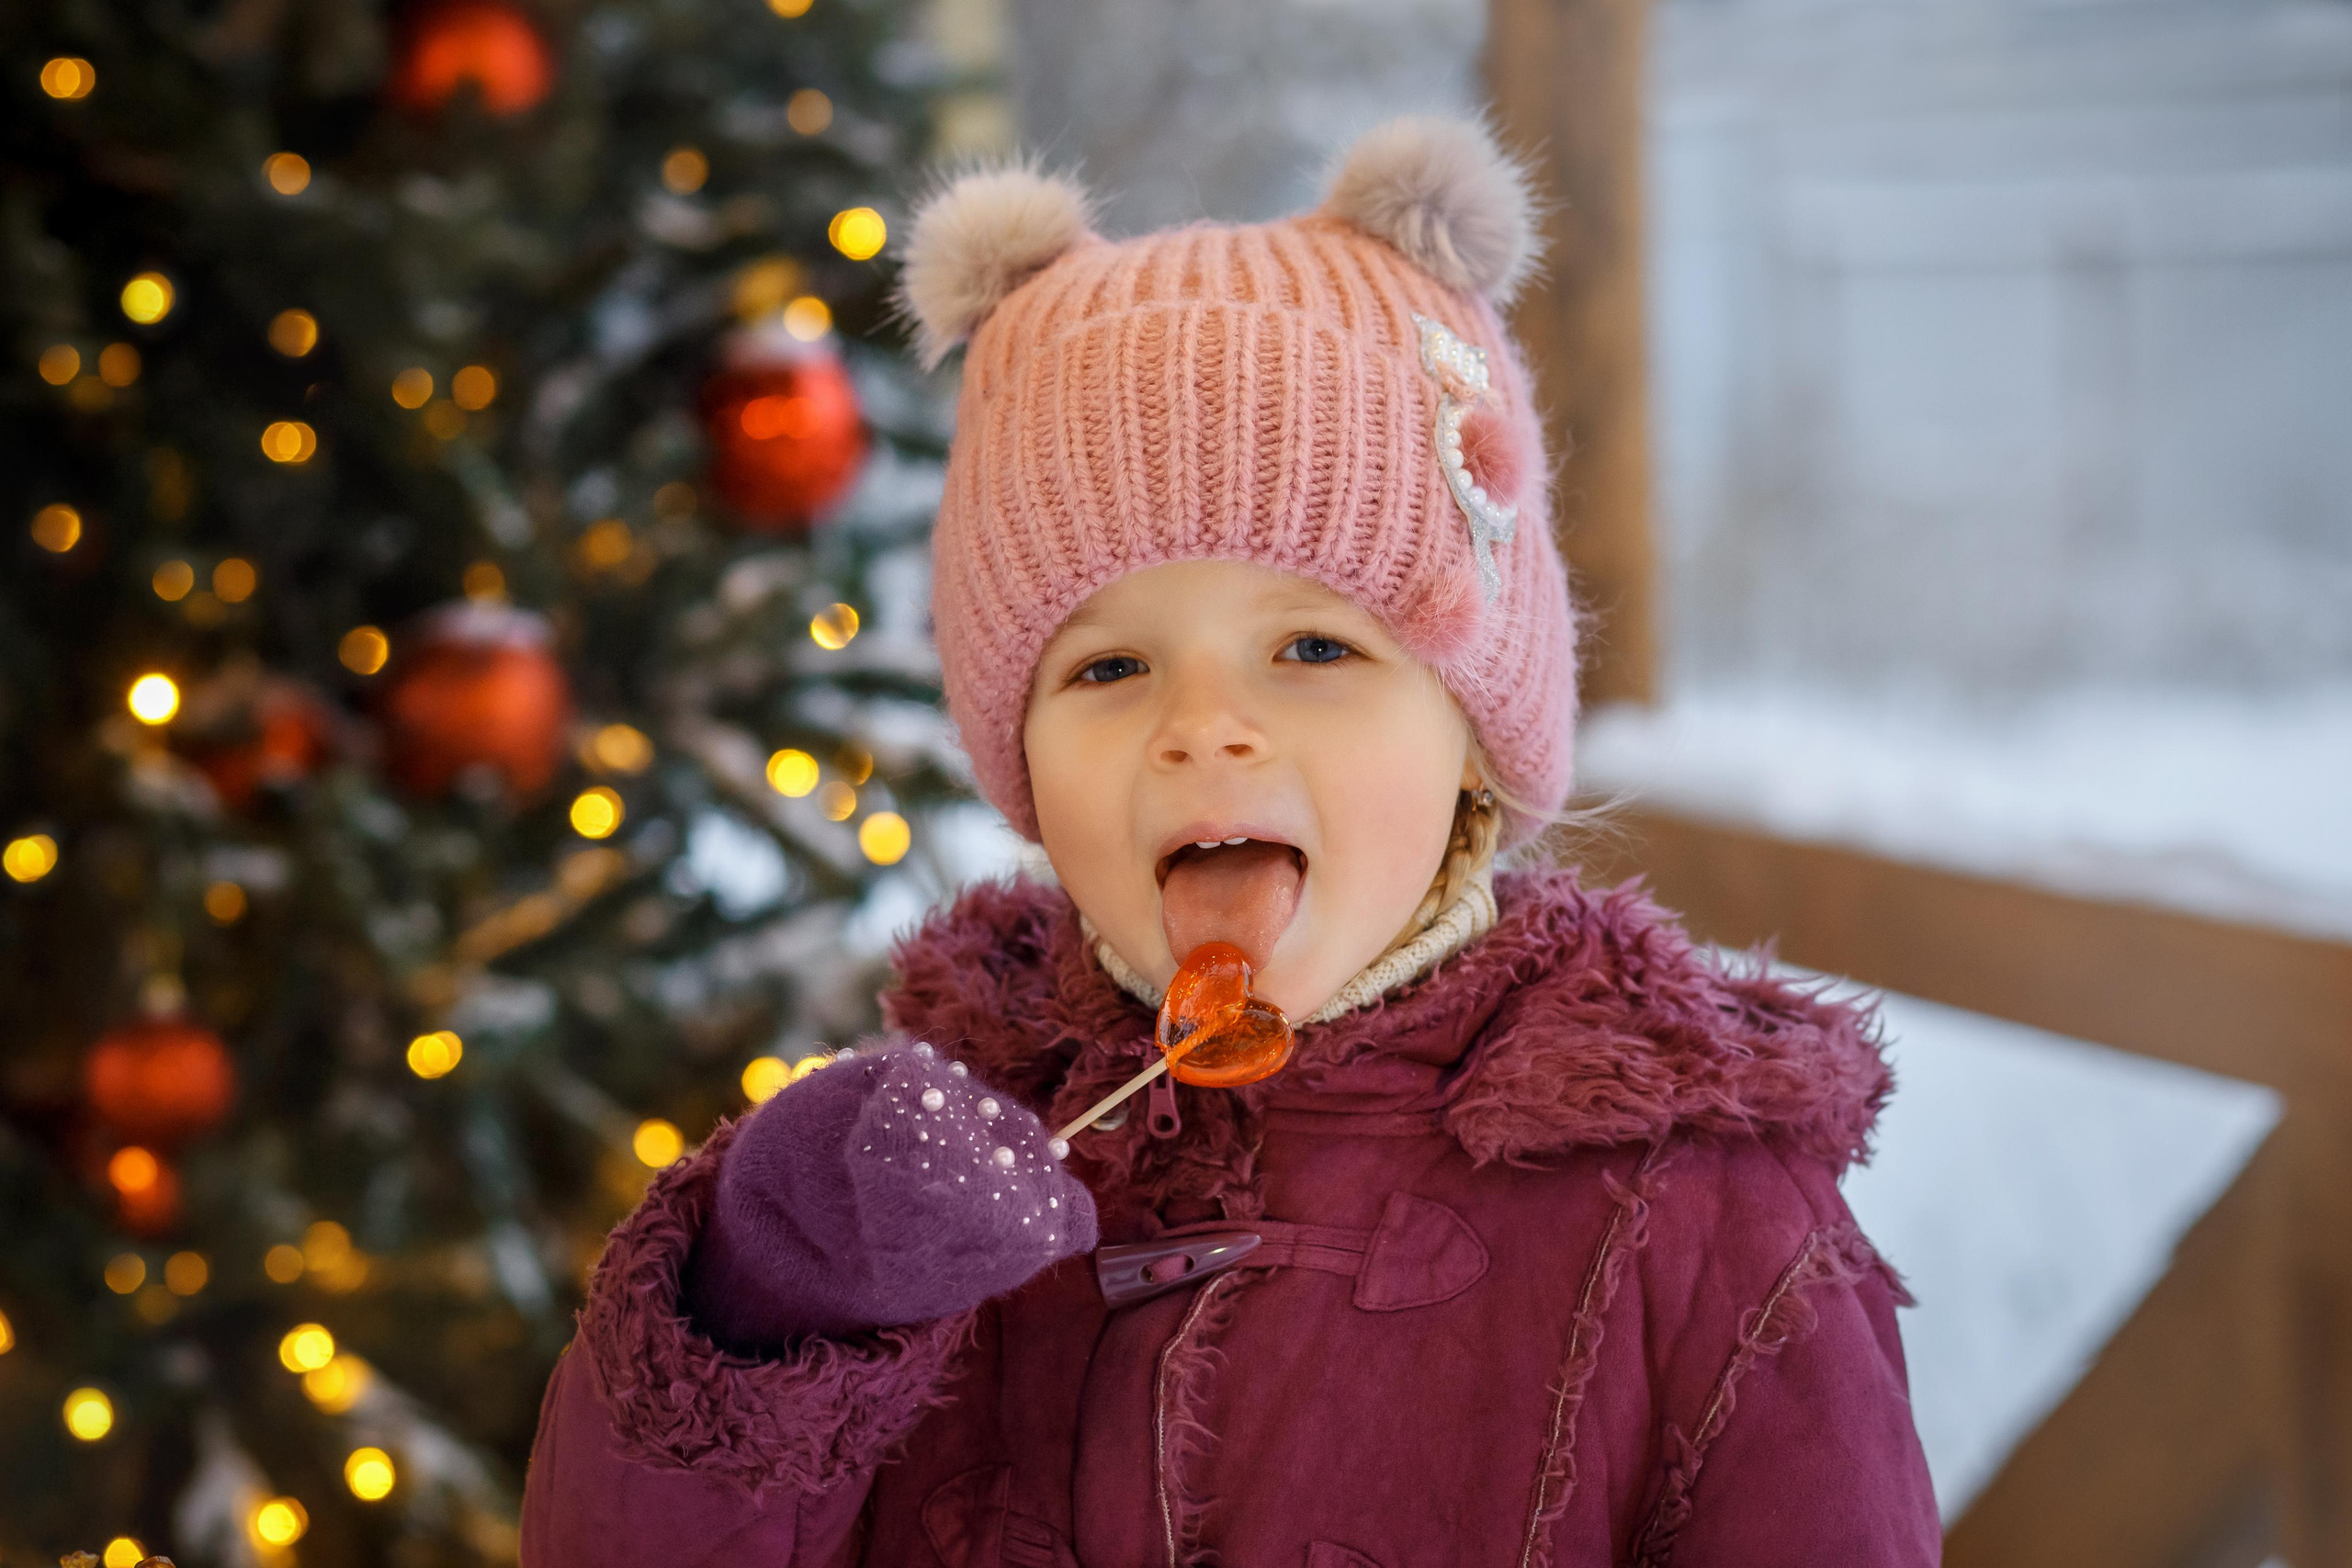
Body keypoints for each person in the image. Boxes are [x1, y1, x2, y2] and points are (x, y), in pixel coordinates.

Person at [519, 113, 1940, 1566]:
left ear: (1474, 739)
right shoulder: (925, 1185)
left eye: (1314, 649)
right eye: (1110, 670)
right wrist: (756, 1304)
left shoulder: (1708, 1224)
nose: (1204, 730)